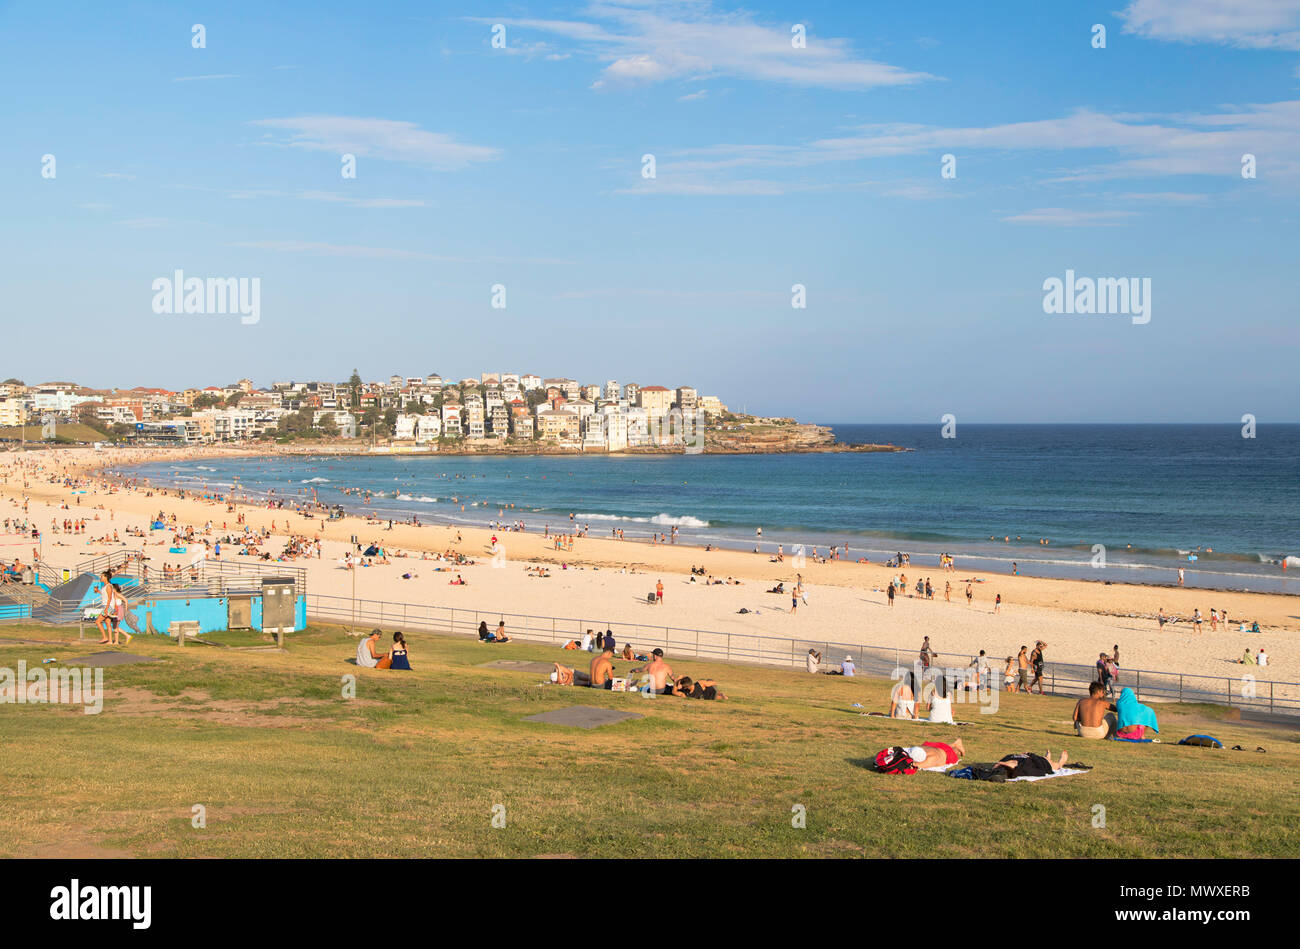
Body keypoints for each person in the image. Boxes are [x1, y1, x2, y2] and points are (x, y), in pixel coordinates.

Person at [993, 750, 1068, 777]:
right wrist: (1032, 755)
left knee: (1046, 759)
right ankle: (1060, 763)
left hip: (1035, 758)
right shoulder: (1023, 768)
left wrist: (999, 763)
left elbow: (1000, 763)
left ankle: (1047, 757)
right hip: (1042, 763)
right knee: (1052, 765)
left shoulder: (1009, 757)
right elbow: (1042, 771)